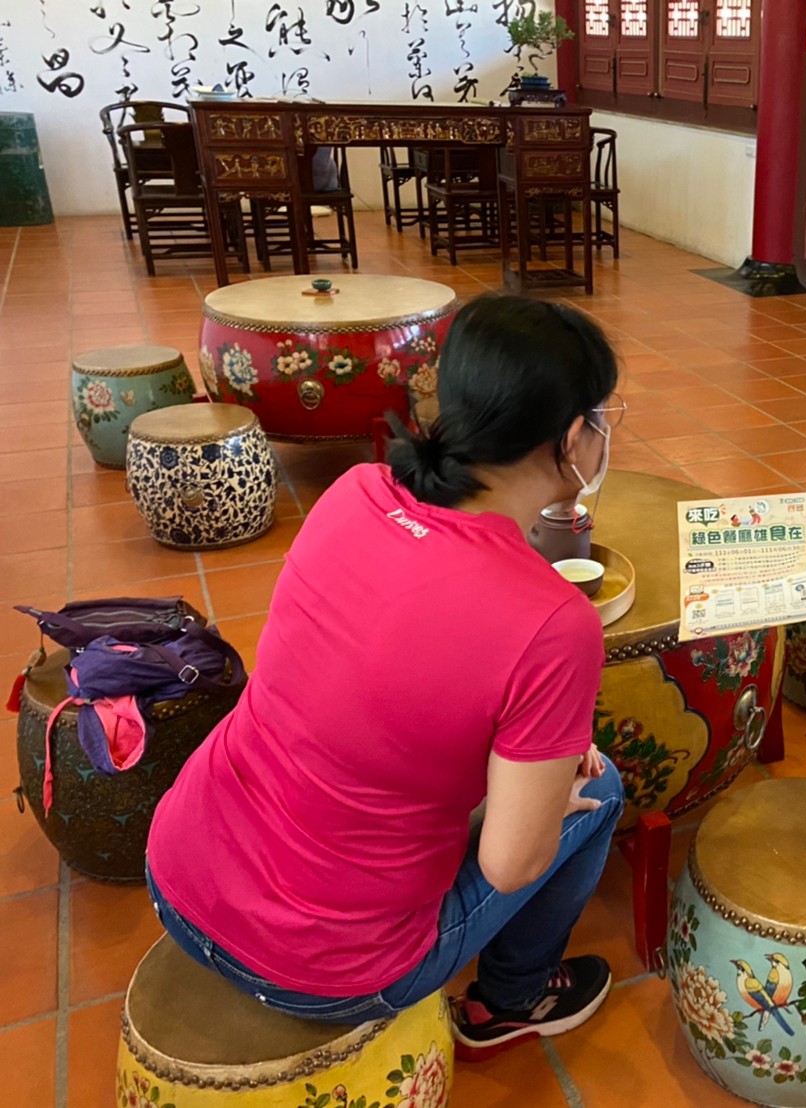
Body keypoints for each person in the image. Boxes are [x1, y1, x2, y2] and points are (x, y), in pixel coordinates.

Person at [146, 294, 629, 1060]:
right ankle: (512, 999)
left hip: (178, 871)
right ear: (573, 440)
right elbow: (512, 863)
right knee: (600, 790)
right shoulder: (555, 626)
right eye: (605, 417)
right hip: (328, 971)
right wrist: (544, 803)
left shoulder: (357, 491)